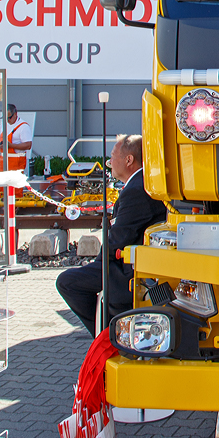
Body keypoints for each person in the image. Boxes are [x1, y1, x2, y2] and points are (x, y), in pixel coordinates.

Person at [57, 134, 166, 336]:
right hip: (137, 262)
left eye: (113, 157)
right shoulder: (142, 183)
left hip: (131, 270)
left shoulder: (137, 189)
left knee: (67, 282)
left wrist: (98, 265)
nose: (109, 163)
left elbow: (119, 237)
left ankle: (109, 335)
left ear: (129, 160)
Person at [0, 105, 31, 172]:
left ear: (15, 114)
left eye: (9, 117)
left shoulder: (23, 127)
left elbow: (28, 145)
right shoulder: (2, 125)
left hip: (16, 163)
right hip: (2, 162)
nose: (7, 120)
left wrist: (10, 145)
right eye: (5, 118)